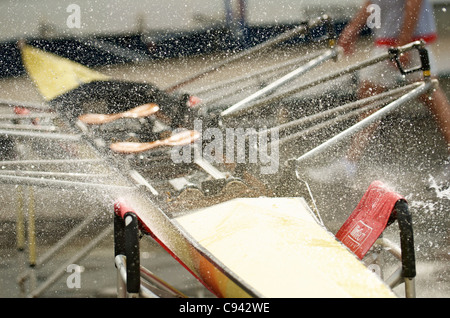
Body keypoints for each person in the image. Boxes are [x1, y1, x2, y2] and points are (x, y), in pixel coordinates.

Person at [306, 0, 450, 189]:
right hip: (394, 38)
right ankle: (349, 164)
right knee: (372, 96)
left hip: (406, 40)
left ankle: (348, 165)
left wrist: (404, 42)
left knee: (427, 94)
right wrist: (353, 29)